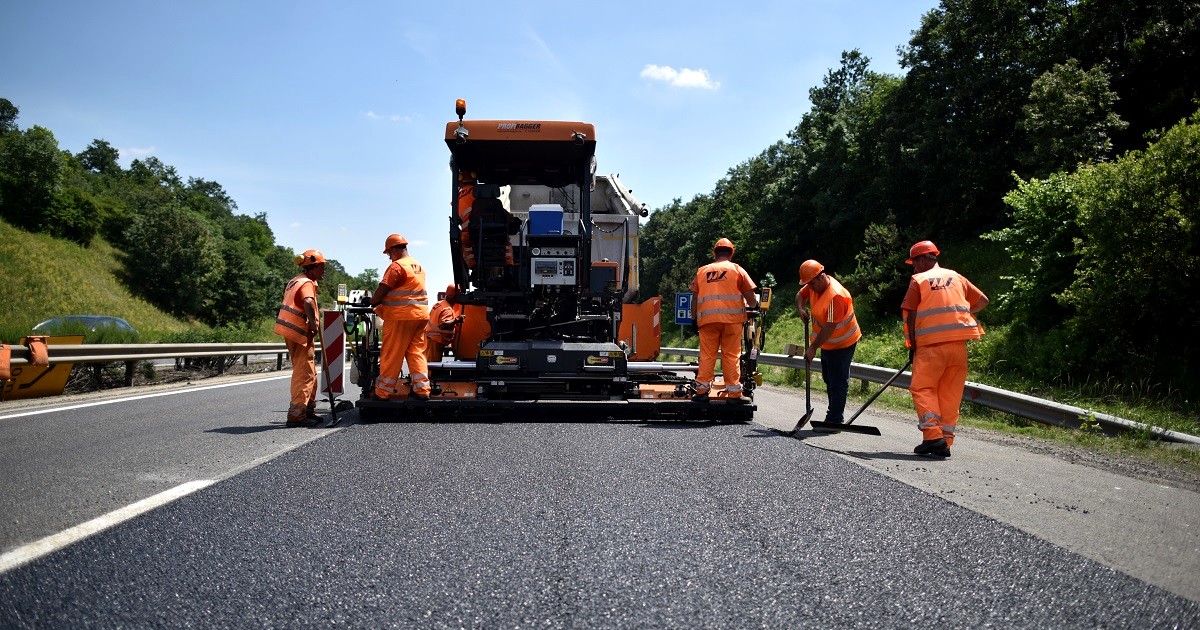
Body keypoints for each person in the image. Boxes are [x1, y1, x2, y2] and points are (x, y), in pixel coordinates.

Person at [901, 240, 989, 457]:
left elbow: (911, 315)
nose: (914, 267)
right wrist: (962, 314)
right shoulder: (956, 277)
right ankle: (945, 443)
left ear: (922, 260)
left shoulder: (918, 280)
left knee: (922, 389)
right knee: (950, 394)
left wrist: (912, 345)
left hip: (931, 347)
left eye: (914, 262)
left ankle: (932, 436)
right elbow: (983, 301)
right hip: (958, 346)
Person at [690, 238, 759, 402]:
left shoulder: (702, 271)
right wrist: (754, 306)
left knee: (707, 355)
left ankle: (701, 392)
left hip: (707, 321)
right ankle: (734, 393)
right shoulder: (737, 270)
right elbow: (750, 295)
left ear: (715, 253)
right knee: (731, 355)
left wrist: (693, 319)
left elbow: (694, 298)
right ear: (731, 252)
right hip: (732, 321)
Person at [795, 259, 861, 424]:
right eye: (808, 284)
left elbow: (830, 327)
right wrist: (801, 309)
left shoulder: (835, 296)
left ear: (821, 276)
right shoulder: (813, 285)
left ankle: (834, 418)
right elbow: (800, 295)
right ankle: (834, 413)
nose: (810, 287)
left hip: (843, 343)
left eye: (812, 284)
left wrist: (812, 348)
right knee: (828, 378)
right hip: (827, 342)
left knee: (838, 381)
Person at [371, 233, 432, 400]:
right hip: (420, 316)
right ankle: (422, 390)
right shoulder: (418, 266)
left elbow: (384, 288)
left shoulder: (397, 267)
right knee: (416, 352)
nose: (389, 257)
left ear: (395, 250)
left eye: (389, 253)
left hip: (401, 317)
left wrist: (372, 301)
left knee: (392, 353)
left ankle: (382, 392)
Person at [273, 249, 326, 427]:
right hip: (298, 332)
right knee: (304, 373)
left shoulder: (294, 281)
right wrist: (314, 323)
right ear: (313, 267)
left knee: (309, 371)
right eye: (322, 266)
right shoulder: (306, 283)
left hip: (292, 331)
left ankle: (307, 409)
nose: (324, 270)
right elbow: (308, 302)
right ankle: (297, 414)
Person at [425, 284, 463, 362]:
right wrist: (456, 320)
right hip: (435, 340)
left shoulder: (439, 304)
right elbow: (443, 325)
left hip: (429, 338)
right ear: (454, 297)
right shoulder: (447, 309)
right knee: (433, 367)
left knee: (428, 363)